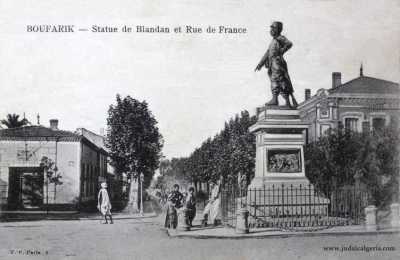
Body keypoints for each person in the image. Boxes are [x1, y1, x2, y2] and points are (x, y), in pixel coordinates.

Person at [255, 21, 298, 108]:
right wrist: (260, 64)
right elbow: (267, 53)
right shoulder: (273, 41)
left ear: (278, 29)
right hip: (273, 64)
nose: (271, 30)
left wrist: (281, 51)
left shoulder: (279, 38)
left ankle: (277, 99)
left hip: (277, 63)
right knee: (277, 80)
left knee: (279, 80)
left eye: (273, 28)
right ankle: (284, 101)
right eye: (271, 28)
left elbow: (289, 44)